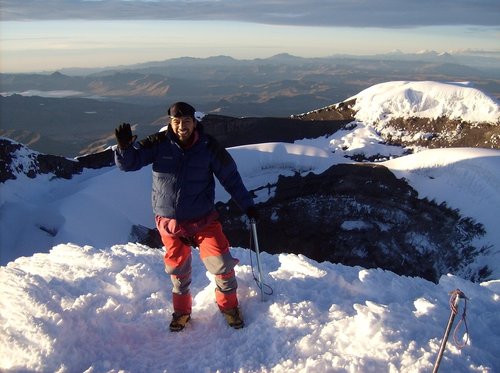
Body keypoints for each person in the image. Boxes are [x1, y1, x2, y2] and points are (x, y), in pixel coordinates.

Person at [114, 102, 258, 332]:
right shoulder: (158, 143)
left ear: (194, 122)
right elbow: (130, 163)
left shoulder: (209, 146)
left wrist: (248, 205)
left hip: (203, 220)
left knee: (222, 264)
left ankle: (229, 307)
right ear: (170, 123)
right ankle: (182, 312)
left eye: (187, 121)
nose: (182, 126)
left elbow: (231, 178)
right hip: (170, 223)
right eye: (177, 121)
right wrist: (123, 148)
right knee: (178, 272)